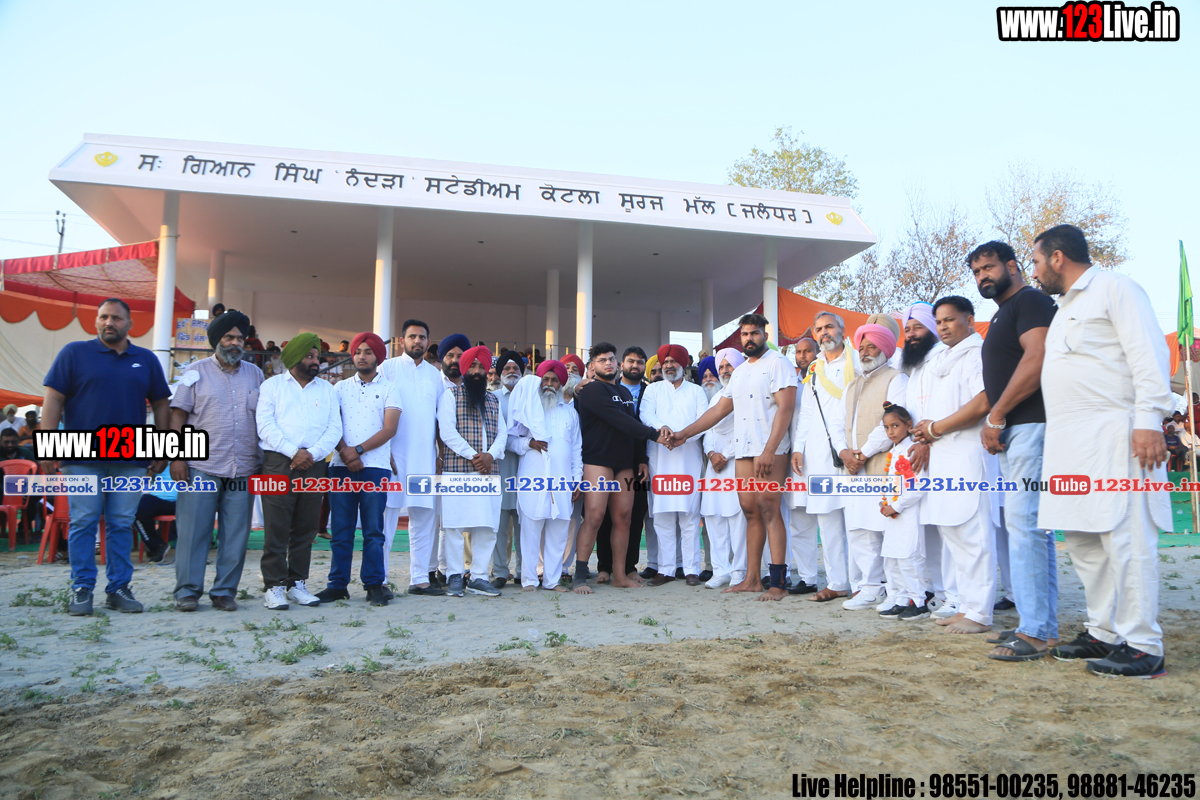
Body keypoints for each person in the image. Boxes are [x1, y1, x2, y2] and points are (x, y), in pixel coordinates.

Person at [1034, 224, 1170, 678]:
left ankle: (1144, 645)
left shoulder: (1116, 288)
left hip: (1117, 436)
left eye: (1036, 261)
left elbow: (1149, 355)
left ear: (1057, 258)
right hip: (1069, 444)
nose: (1035, 271)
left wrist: (1148, 421)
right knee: (1084, 541)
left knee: (1126, 539)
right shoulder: (1064, 308)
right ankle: (1104, 632)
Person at [41, 297, 171, 616]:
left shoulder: (146, 359)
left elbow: (161, 404)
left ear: (130, 324)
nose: (108, 322)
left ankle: (118, 588)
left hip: (130, 459)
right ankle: (82, 588)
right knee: (84, 521)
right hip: (80, 456)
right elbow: (53, 399)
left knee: (121, 523)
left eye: (115, 318)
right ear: (96, 321)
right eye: (103, 317)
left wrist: (163, 447)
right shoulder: (74, 353)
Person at [969, 240, 1061, 661]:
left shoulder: (1030, 301)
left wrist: (997, 415)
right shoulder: (1003, 312)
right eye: (976, 272)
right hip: (1014, 431)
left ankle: (1035, 631)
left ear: (1012, 265)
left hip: (1029, 426)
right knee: (1029, 529)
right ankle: (1040, 626)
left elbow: (1037, 358)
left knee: (1026, 528)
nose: (982, 276)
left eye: (988, 267)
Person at [670, 314, 797, 600]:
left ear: (764, 335)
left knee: (769, 509)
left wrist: (770, 450)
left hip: (770, 449)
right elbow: (718, 410)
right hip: (744, 449)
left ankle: (778, 583)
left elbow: (786, 408)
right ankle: (751, 579)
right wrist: (683, 434)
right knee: (750, 510)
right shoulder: (740, 373)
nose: (749, 338)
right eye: (745, 334)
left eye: (754, 333)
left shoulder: (778, 363)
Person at [170, 309, 263, 612]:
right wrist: (177, 457)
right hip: (201, 467)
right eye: (229, 337)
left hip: (244, 468)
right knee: (193, 533)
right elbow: (177, 416)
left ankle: (224, 591)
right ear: (216, 340)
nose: (235, 342)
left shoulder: (255, 374)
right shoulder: (194, 372)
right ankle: (187, 591)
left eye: (240, 338)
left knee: (235, 535)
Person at [912, 296, 995, 635]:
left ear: (970, 320)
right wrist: (927, 434)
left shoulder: (976, 354)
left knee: (974, 536)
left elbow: (983, 402)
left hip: (967, 454)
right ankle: (966, 606)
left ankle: (981, 613)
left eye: (949, 319)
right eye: (939, 321)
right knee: (954, 535)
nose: (943, 326)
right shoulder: (940, 360)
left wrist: (935, 428)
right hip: (942, 456)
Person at [573, 342, 671, 593]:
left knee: (624, 519)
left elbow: (632, 426)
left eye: (611, 359)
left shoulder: (626, 393)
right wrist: (654, 435)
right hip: (598, 461)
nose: (608, 363)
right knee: (594, 517)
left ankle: (619, 574)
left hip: (625, 464)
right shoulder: (591, 391)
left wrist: (641, 458)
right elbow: (618, 420)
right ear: (592, 365)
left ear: (617, 363)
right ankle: (580, 576)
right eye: (602, 360)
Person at [256, 333, 342, 610]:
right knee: (276, 527)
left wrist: (311, 454)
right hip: (279, 463)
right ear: (294, 358)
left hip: (314, 464)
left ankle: (297, 584)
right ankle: (274, 586)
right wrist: (294, 452)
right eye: (309, 356)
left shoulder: (327, 389)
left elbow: (335, 428)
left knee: (306, 528)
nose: (316, 361)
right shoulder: (272, 386)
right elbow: (265, 426)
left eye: (317, 356)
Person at [317, 332, 401, 607]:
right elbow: (332, 424)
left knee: (373, 530)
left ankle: (374, 584)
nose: (361, 356)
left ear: (378, 356)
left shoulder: (390, 388)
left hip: (375, 467)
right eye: (357, 352)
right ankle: (337, 585)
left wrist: (359, 451)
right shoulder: (339, 388)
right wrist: (346, 452)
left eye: (367, 352)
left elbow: (389, 428)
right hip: (340, 467)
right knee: (341, 529)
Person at [837, 322, 908, 611]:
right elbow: (839, 425)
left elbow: (892, 423)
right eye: (862, 347)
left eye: (872, 347)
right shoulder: (851, 385)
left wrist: (862, 454)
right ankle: (870, 589)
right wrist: (844, 453)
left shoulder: (896, 379)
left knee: (884, 528)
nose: (865, 352)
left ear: (886, 349)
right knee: (858, 529)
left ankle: (895, 591)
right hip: (853, 469)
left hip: (881, 465)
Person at [794, 312, 860, 602]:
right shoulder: (814, 369)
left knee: (857, 521)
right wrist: (798, 447)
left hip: (855, 452)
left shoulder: (857, 360)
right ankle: (837, 583)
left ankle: (864, 584)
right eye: (819, 329)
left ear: (842, 329)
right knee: (827, 521)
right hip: (821, 454)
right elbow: (807, 413)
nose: (824, 333)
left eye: (829, 327)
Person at [380, 320, 446, 596]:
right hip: (393, 456)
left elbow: (441, 418)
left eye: (422, 337)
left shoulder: (435, 375)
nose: (417, 341)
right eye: (412, 336)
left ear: (428, 341)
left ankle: (419, 579)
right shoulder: (387, 368)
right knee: (387, 517)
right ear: (401, 340)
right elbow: (377, 410)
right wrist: (383, 451)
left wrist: (439, 454)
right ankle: (380, 579)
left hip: (424, 458)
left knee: (423, 517)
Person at [436, 345, 506, 598]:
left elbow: (503, 434)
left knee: (487, 527)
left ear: (487, 371)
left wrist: (490, 456)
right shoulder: (450, 395)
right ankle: (455, 575)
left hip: (489, 472)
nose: (477, 371)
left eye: (481, 367)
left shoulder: (494, 400)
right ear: (464, 369)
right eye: (472, 366)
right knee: (454, 527)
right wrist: (475, 457)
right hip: (457, 471)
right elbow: (447, 432)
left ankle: (478, 577)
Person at [507, 360, 583, 592]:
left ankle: (552, 581)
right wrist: (529, 443)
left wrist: (577, 480)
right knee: (530, 531)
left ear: (561, 384)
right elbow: (510, 440)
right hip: (533, 478)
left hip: (562, 480)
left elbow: (576, 449)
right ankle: (529, 580)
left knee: (559, 532)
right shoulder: (528, 410)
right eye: (545, 380)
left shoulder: (570, 413)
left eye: (554, 380)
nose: (549, 384)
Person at [900, 302, 954, 614]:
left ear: (932, 328)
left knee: (950, 530)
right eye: (907, 330)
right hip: (919, 459)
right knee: (930, 529)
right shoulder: (915, 368)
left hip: (943, 452)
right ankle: (941, 592)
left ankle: (957, 596)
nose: (911, 334)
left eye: (917, 327)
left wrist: (925, 441)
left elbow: (943, 408)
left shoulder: (943, 360)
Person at [640, 344, 709, 585]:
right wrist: (663, 430)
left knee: (689, 517)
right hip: (660, 458)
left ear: (683, 364)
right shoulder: (653, 390)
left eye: (673, 361)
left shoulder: (696, 391)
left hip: (688, 459)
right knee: (663, 517)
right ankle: (666, 569)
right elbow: (645, 415)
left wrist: (682, 436)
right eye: (666, 362)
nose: (669, 366)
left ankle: (691, 569)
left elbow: (703, 421)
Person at [598, 347, 650, 584]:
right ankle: (604, 567)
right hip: (608, 459)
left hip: (638, 460)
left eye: (640, 362)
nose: (635, 366)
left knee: (634, 513)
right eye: (631, 361)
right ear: (622, 364)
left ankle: (629, 567)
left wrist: (642, 459)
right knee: (604, 514)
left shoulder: (651, 391)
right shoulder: (609, 388)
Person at [876, 404, 931, 620]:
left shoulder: (910, 451)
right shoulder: (894, 451)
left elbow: (918, 485)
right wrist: (885, 502)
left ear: (908, 426)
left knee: (909, 560)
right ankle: (900, 600)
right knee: (892, 559)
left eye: (895, 426)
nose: (890, 431)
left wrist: (897, 505)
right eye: (886, 427)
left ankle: (919, 602)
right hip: (893, 514)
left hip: (907, 514)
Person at [700, 348, 748, 589]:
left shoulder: (746, 394)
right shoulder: (716, 397)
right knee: (713, 516)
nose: (725, 371)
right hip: (714, 466)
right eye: (722, 367)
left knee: (737, 519)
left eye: (729, 366)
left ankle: (739, 571)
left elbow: (744, 429)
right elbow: (708, 431)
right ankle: (720, 571)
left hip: (735, 462)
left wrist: (725, 455)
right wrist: (711, 454)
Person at [783, 338, 820, 594]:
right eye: (798, 352)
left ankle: (841, 580)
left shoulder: (827, 380)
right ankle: (808, 579)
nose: (802, 356)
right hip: (795, 463)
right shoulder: (791, 385)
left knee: (830, 523)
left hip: (822, 460)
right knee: (799, 522)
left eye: (807, 351)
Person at [491, 350, 526, 588]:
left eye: (515, 368)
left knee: (525, 527)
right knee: (500, 526)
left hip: (526, 469)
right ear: (499, 373)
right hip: (500, 470)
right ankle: (501, 572)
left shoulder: (531, 397)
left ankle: (524, 571)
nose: (511, 372)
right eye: (507, 368)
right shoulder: (492, 398)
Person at [134, 467, 177, 565]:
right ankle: (158, 546)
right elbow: (145, 477)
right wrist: (152, 467)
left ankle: (198, 552)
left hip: (184, 498)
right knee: (136, 511)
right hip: (156, 497)